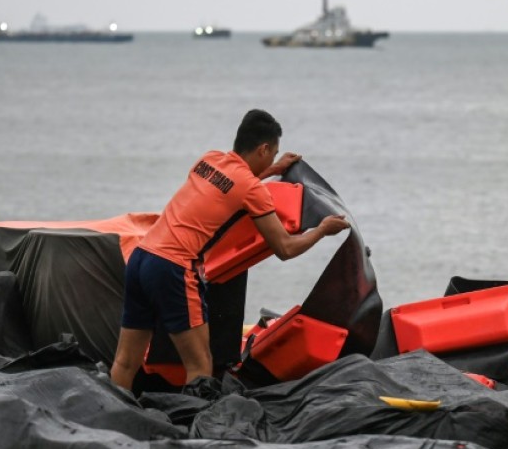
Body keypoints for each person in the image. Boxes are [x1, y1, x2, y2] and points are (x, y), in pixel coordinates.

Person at [110, 109, 349, 391]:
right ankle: (198, 432)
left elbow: (230, 185)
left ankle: (112, 417)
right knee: (200, 366)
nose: (273, 159)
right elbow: (285, 248)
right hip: (171, 268)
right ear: (263, 148)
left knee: (126, 362)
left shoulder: (208, 160)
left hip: (142, 257)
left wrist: (272, 170)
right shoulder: (251, 189)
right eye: (272, 154)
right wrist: (321, 230)